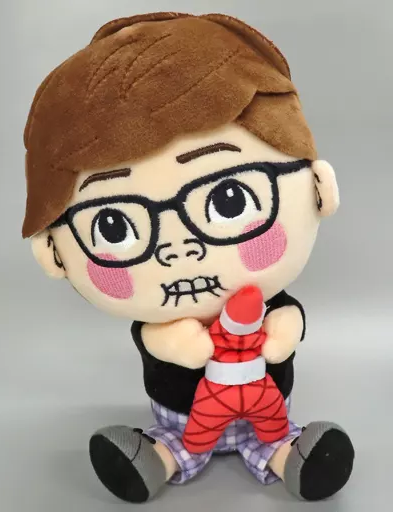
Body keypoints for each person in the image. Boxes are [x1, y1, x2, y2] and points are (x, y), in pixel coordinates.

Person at [22, 12, 355, 504]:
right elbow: (155, 339)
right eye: (114, 225)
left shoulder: (263, 303)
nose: (181, 249)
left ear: (319, 189)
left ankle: (286, 452)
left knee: (275, 436)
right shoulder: (163, 321)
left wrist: (283, 328)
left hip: (266, 415)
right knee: (180, 442)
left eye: (228, 199)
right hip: (182, 418)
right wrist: (172, 342)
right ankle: (163, 455)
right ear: (54, 253)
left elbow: (287, 317)